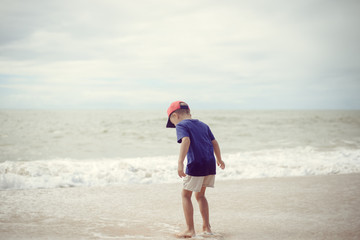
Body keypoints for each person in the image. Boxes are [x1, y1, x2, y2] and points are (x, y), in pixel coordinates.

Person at [166, 101, 225, 238]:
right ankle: (206, 227)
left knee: (186, 195)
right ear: (189, 113)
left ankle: (190, 229)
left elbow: (186, 141)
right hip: (209, 164)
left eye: (172, 122)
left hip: (196, 164)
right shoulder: (203, 125)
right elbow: (214, 142)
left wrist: (180, 162)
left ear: (175, 116)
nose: (174, 125)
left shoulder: (181, 125)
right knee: (200, 195)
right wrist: (219, 159)